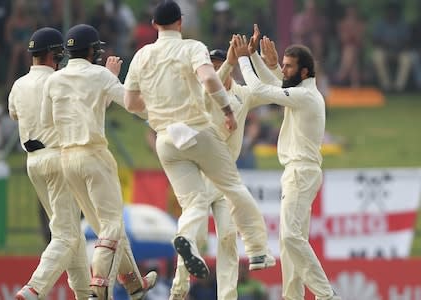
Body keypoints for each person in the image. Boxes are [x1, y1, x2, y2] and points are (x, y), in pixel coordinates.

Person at [124, 0, 275, 289]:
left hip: (166, 139)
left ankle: (188, 241)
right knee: (234, 187)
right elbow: (208, 78)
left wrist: (157, 112)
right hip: (197, 134)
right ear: (180, 22)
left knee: (194, 206)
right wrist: (227, 111)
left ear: (154, 24)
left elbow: (130, 103)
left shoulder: (142, 56)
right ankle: (258, 251)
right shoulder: (192, 47)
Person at [40, 23, 156, 300]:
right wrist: (117, 80)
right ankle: (99, 287)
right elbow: (132, 105)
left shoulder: (53, 80)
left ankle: (135, 285)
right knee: (113, 226)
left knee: (107, 231)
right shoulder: (100, 75)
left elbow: (48, 121)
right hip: (94, 156)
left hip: (68, 159)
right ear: (93, 50)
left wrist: (106, 84)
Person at [231, 28, 341, 300]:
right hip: (299, 171)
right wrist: (258, 57)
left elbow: (261, 89)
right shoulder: (301, 90)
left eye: (289, 67)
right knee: (289, 240)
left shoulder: (307, 97)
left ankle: (327, 296)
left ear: (304, 72)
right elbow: (276, 86)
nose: (283, 69)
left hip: (301, 172)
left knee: (291, 237)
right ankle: (293, 296)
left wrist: (244, 58)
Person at [170, 46, 280, 300]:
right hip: (205, 171)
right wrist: (230, 62)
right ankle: (178, 290)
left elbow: (274, 90)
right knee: (193, 233)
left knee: (228, 237)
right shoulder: (202, 93)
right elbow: (214, 81)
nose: (216, 70)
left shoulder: (243, 94)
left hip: (228, 176)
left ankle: (227, 296)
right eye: (212, 65)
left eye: (219, 63)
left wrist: (270, 65)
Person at [8, 27, 92, 300]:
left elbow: (14, 114)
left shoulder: (18, 84)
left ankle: (86, 293)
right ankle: (34, 289)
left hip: (34, 164)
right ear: (55, 54)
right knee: (66, 235)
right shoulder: (59, 81)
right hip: (59, 159)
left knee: (70, 231)